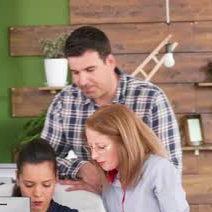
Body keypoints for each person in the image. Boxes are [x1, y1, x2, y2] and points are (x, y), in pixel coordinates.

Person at [41, 26, 182, 194]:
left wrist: (110, 188)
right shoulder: (64, 102)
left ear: (110, 62)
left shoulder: (150, 98)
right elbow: (42, 159)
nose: (82, 80)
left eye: (90, 70)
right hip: (89, 209)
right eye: (75, 72)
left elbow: (170, 171)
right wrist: (81, 168)